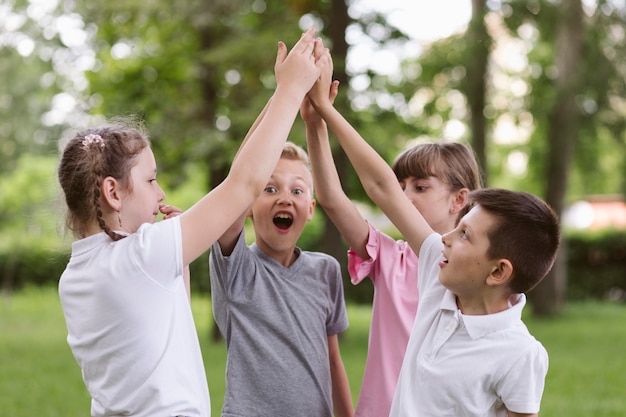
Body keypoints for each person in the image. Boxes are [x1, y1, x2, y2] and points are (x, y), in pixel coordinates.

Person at [57, 28, 325, 417]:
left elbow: (166, 310)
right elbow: (244, 182)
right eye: (150, 180)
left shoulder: (79, 275)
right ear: (113, 193)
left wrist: (278, 96)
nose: (161, 193)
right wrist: (291, 90)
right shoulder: (143, 255)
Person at [307, 51, 561, 417]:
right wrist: (323, 113)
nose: (446, 240)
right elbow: (378, 186)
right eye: (402, 186)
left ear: (498, 271)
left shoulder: (521, 354)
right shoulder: (436, 275)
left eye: (465, 236)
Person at [302, 75, 482, 416]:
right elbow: (331, 199)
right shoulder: (390, 256)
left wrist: (327, 108)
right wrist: (316, 124)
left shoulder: (473, 269)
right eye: (401, 185)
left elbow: (379, 185)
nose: (404, 195)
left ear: (459, 199)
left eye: (421, 187)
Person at [208, 139, 354, 417]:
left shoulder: (327, 270)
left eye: (296, 190)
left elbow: (333, 360)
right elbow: (240, 179)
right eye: (270, 188)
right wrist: (284, 98)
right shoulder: (236, 268)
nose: (284, 198)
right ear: (248, 204)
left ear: (310, 209)